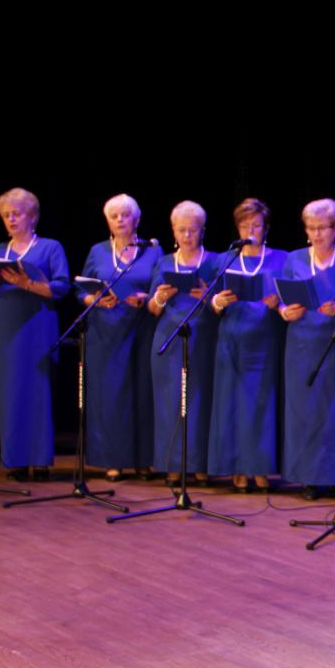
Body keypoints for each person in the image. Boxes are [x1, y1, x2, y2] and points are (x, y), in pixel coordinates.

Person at [0, 187, 70, 481]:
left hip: (38, 325)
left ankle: (40, 460)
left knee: (38, 390)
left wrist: (26, 283)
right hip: (5, 327)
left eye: (16, 214)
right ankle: (15, 460)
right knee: (10, 391)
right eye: (6, 215)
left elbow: (62, 287)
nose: (11, 219)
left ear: (32, 217)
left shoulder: (50, 247)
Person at [279, 198, 335, 499]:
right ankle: (308, 478)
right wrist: (285, 312)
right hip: (301, 343)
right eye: (311, 228)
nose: (316, 234)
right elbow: (284, 300)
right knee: (305, 410)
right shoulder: (294, 259)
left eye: (322, 228)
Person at [80, 193, 161, 481]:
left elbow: (160, 287)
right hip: (105, 331)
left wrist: (145, 297)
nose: (120, 220)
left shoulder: (152, 250)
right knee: (110, 395)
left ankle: (143, 459)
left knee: (141, 392)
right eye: (114, 216)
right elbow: (81, 289)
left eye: (125, 215)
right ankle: (112, 459)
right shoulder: (98, 251)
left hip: (141, 327)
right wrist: (94, 299)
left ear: (136, 220)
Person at [207, 198, 286, 493]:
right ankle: (237, 467)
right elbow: (211, 302)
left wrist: (278, 303)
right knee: (232, 404)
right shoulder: (225, 259)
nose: (250, 230)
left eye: (256, 225)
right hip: (232, 338)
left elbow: (291, 296)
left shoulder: (281, 259)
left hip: (264, 339)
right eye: (244, 225)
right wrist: (218, 301)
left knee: (260, 404)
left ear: (266, 228)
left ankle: (260, 467)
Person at [146, 201, 220, 483]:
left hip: (203, 338)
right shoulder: (165, 262)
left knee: (200, 401)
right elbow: (152, 308)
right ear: (173, 231)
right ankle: (172, 464)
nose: (187, 236)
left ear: (203, 230)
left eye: (193, 230)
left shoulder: (215, 261)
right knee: (170, 402)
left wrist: (209, 297)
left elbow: (222, 307)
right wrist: (160, 297)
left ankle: (200, 464)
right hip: (169, 337)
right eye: (181, 230)